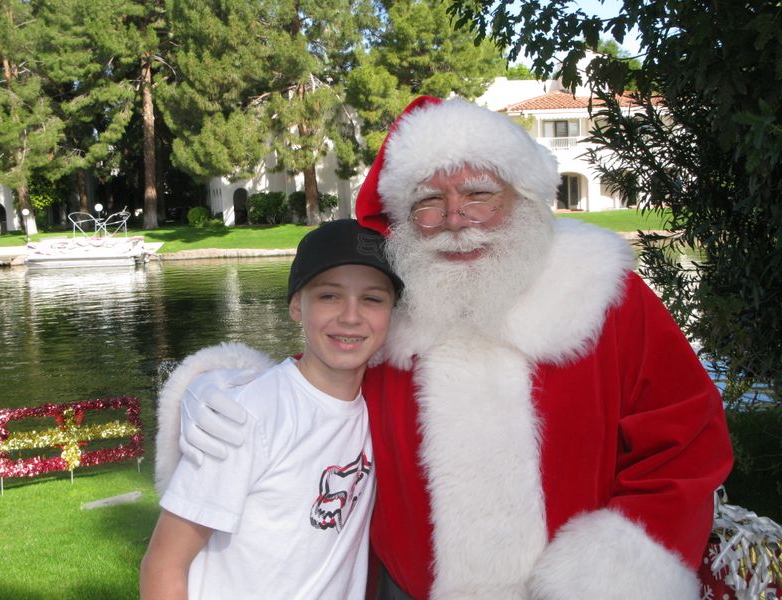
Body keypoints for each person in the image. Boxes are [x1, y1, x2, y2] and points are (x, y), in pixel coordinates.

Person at [155, 96, 733, 600]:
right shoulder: (393, 302)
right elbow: (318, 393)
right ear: (403, 219)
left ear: (524, 197)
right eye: (429, 202)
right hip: (404, 587)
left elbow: (685, 437)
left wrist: (618, 569)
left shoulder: (600, 290)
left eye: (480, 193)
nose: (457, 218)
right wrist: (218, 385)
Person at [141, 219, 404, 599]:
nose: (350, 316)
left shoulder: (374, 414)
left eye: (372, 299)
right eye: (329, 296)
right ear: (297, 305)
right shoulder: (241, 416)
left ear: (392, 313)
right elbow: (164, 564)